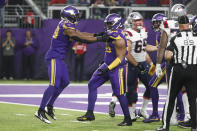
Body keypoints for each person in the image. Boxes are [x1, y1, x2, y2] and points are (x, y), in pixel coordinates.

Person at [34, 5, 108, 124]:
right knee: (54, 84)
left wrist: (97, 35)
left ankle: (50, 106)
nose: (77, 17)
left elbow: (81, 33)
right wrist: (99, 39)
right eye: (75, 15)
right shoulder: (65, 24)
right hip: (54, 57)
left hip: (60, 58)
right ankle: (40, 110)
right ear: (69, 16)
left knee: (65, 82)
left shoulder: (69, 25)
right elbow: (78, 37)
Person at [77, 13, 133, 126]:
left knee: (119, 93)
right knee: (92, 84)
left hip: (117, 67)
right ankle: (90, 113)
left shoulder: (119, 39)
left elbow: (120, 58)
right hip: (107, 65)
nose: (107, 26)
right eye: (107, 24)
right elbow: (97, 36)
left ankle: (128, 119)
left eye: (110, 24)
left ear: (116, 24)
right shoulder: (110, 33)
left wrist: (108, 68)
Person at [156, 15, 197, 131]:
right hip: (194, 69)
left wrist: (177, 61)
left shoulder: (175, 38)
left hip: (179, 69)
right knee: (193, 100)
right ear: (189, 24)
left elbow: (167, 56)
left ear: (179, 25)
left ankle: (165, 126)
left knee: (171, 98)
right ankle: (194, 127)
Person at [123, 12, 151, 121]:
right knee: (131, 90)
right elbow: (127, 52)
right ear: (131, 22)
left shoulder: (143, 31)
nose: (139, 22)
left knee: (151, 86)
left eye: (140, 20)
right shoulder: (129, 33)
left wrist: (151, 63)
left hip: (142, 62)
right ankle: (131, 113)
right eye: (136, 20)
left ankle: (143, 110)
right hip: (132, 65)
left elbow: (143, 48)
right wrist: (137, 64)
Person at [143, 13, 167, 123]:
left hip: (167, 63)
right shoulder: (160, 34)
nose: (155, 24)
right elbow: (157, 49)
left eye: (158, 22)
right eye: (154, 22)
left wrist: (158, 65)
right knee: (176, 89)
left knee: (176, 89)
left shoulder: (164, 33)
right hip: (162, 63)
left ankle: (155, 114)